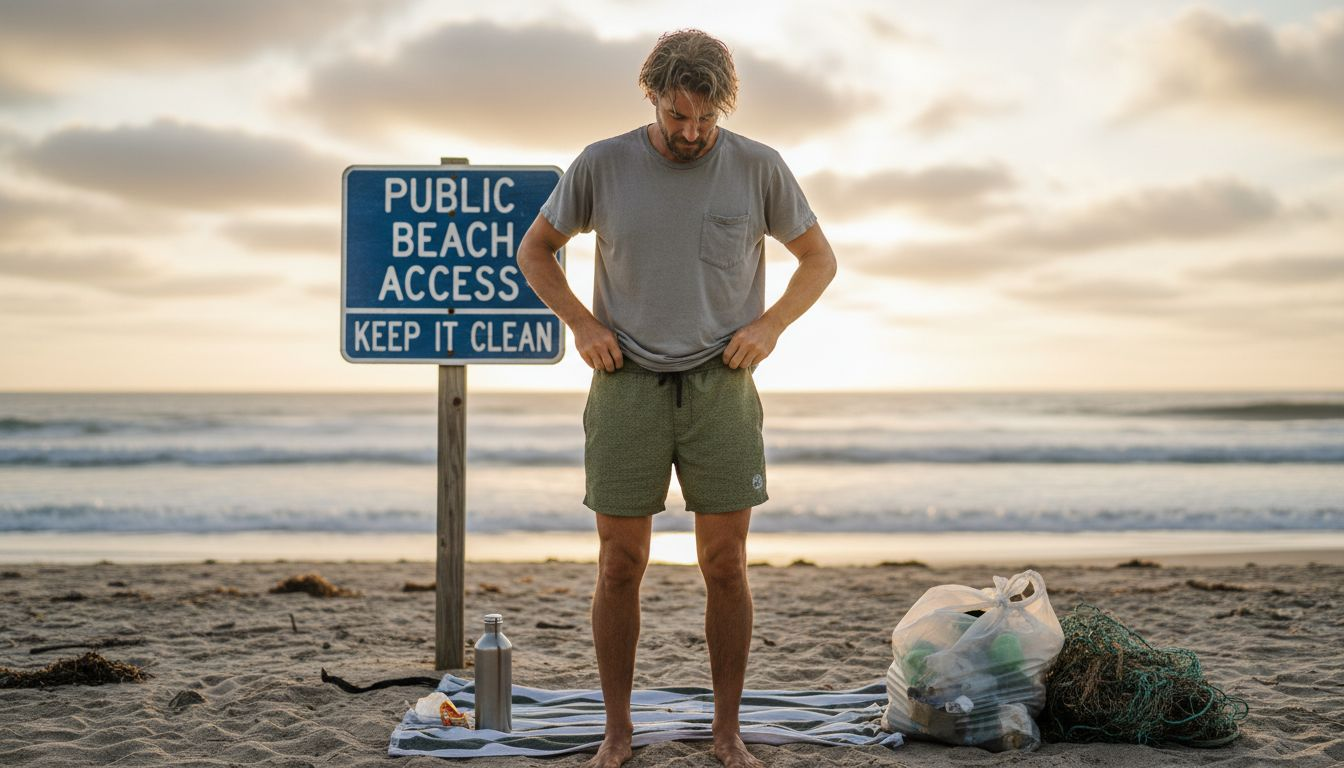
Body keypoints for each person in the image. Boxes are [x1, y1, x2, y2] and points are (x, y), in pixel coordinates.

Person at [516, 29, 837, 768]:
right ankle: (618, 730)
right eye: (676, 117)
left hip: (722, 386)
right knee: (618, 564)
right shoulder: (601, 164)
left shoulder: (760, 167)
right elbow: (535, 249)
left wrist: (771, 326)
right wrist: (582, 323)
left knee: (725, 563)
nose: (691, 133)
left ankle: (727, 733)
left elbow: (819, 261)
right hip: (625, 382)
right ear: (651, 97)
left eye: (706, 120)